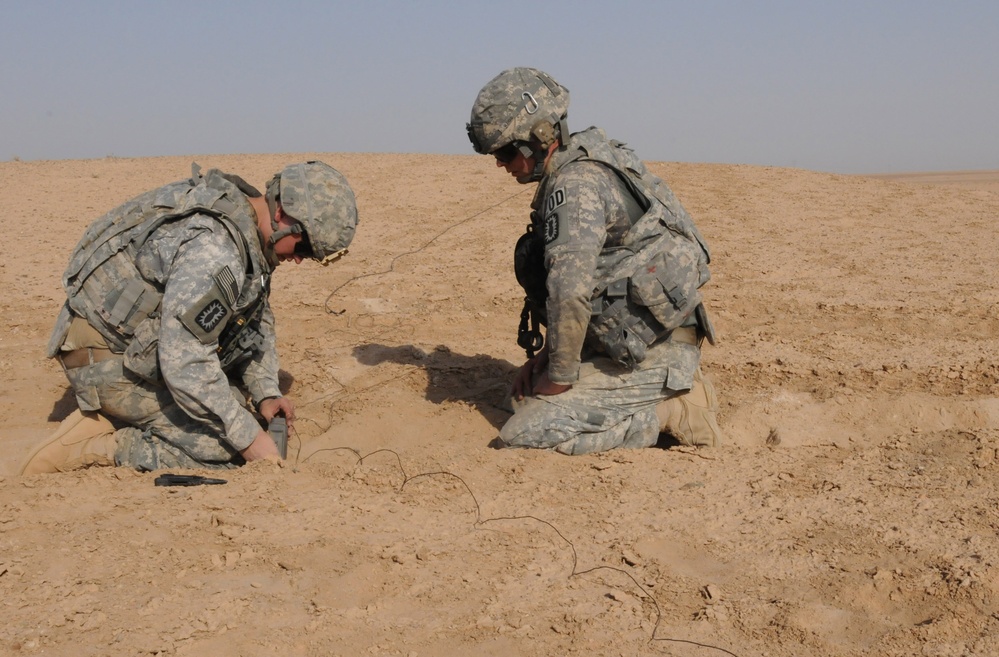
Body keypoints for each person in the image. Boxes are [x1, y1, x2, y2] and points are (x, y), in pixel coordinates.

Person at [20, 161, 358, 474]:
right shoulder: (214, 249)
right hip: (107, 360)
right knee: (224, 450)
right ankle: (98, 442)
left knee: (236, 408)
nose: (300, 260)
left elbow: (253, 318)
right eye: (303, 249)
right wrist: (250, 441)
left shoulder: (245, 223)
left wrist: (266, 391)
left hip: (141, 345)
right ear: (282, 212)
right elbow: (186, 361)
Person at [467, 67, 723, 455]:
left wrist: (560, 378)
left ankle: (671, 410)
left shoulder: (576, 185)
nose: (501, 165)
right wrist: (550, 355)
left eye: (505, 152)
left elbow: (569, 292)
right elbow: (592, 281)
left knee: (524, 433)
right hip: (632, 339)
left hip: (657, 351)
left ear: (537, 139)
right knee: (517, 399)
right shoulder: (584, 157)